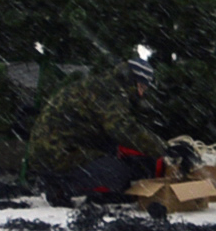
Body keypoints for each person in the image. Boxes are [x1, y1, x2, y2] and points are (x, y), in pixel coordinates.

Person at [27, 59, 170, 207]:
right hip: (58, 154)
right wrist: (163, 149)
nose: (141, 94)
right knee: (118, 174)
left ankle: (67, 183)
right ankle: (62, 187)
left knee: (119, 157)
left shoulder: (102, 85)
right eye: (141, 86)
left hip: (55, 151)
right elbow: (122, 128)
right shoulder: (110, 91)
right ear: (131, 79)